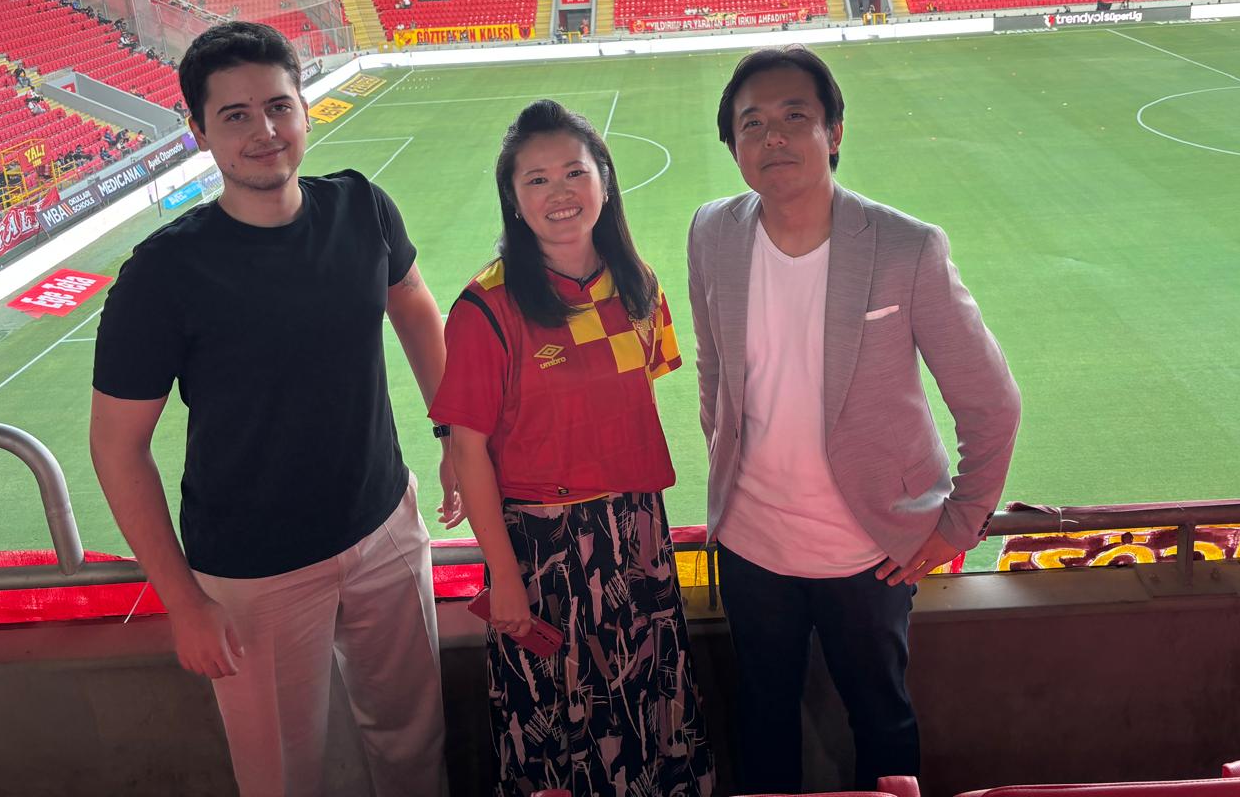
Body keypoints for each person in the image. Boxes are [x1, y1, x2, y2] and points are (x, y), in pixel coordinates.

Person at [89, 22, 457, 797]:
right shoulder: (163, 274)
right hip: (253, 572)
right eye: (235, 115)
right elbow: (118, 449)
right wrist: (183, 600)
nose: (265, 131)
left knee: (415, 739)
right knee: (283, 775)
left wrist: (451, 428)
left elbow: (415, 305)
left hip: (386, 524)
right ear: (199, 133)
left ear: (305, 110)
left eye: (279, 106)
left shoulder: (362, 207)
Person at [687, 46, 1022, 793]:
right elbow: (714, 369)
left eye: (793, 117)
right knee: (763, 719)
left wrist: (956, 524)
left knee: (880, 720)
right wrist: (728, 460)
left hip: (871, 555)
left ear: (834, 131)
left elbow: (991, 402)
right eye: (752, 124)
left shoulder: (906, 248)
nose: (773, 137)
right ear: (734, 146)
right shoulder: (711, 233)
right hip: (751, 548)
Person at [430, 99, 715, 797]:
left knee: (651, 709)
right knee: (555, 727)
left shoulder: (639, 284)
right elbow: (468, 451)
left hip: (637, 537)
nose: (559, 193)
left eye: (574, 172)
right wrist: (502, 574)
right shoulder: (485, 308)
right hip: (543, 550)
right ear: (513, 198)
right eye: (535, 180)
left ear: (605, 182)